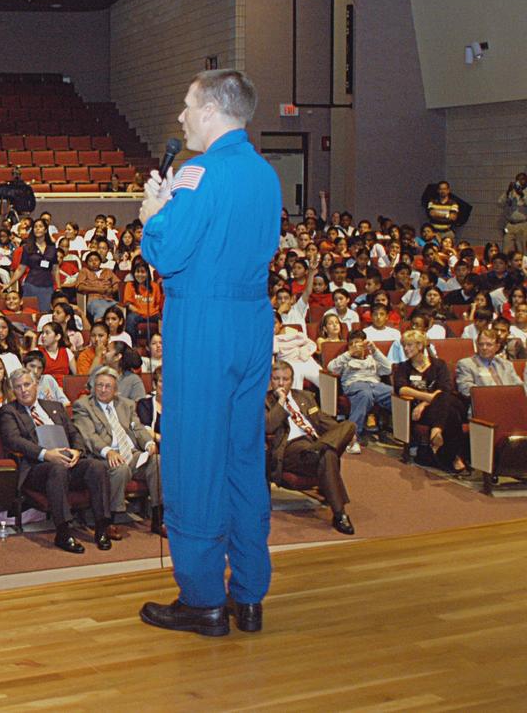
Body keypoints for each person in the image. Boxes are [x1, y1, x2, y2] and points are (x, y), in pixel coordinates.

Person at [138, 69, 279, 637]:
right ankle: (249, 593)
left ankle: (202, 600)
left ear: (213, 110)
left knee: (195, 457)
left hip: (204, 320)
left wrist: (153, 215)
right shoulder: (265, 173)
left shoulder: (200, 170)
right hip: (252, 319)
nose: (181, 116)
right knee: (242, 456)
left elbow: (168, 252)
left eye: (188, 104)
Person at [0, 368, 114, 553]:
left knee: (96, 466)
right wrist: (46, 454)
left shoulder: (55, 406)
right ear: (13, 390)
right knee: (56, 469)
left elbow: (74, 433)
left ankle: (101, 527)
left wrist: (77, 451)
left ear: (36, 385)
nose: (24, 390)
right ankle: (63, 531)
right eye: (18, 387)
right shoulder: (9, 411)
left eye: (27, 384)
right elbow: (13, 440)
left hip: (68, 461)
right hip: (37, 468)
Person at [71, 365, 164, 536]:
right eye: (99, 385)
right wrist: (108, 451)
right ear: (93, 386)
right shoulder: (83, 406)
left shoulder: (126, 404)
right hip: (103, 456)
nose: (103, 390)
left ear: (115, 390)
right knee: (119, 468)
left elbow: (137, 428)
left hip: (131, 453)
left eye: (108, 386)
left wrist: (148, 443)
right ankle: (108, 520)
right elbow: (89, 436)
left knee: (157, 462)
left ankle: (158, 519)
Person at [265, 361, 356, 535]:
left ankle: (317, 449)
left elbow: (322, 420)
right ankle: (340, 515)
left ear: (292, 380)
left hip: (313, 443)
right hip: (290, 447)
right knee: (328, 454)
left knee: (348, 426)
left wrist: (345, 432)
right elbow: (269, 426)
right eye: (277, 379)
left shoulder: (304, 396)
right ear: (271, 380)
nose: (281, 383)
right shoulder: (265, 401)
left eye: (285, 379)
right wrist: (281, 401)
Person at [392, 330, 471, 474]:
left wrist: (424, 404)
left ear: (420, 346)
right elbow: (401, 389)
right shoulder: (403, 367)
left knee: (445, 398)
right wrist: (428, 398)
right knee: (451, 414)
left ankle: (437, 432)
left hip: (429, 407)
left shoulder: (439, 365)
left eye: (409, 345)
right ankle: (452, 456)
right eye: (404, 346)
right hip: (423, 411)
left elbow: (445, 388)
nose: (406, 349)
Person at [326, 331, 394, 444]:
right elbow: (331, 367)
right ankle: (352, 436)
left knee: (394, 395)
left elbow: (388, 369)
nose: (355, 346)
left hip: (375, 386)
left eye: (358, 343)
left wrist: (375, 350)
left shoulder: (372, 358)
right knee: (365, 394)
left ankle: (395, 431)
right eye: (351, 344)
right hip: (354, 385)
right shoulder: (346, 359)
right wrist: (349, 353)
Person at [455, 329, 523, 401]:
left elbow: (520, 387)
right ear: (477, 345)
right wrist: (494, 396)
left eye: (489, 345)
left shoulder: (506, 364)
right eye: (481, 344)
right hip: (484, 403)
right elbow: (465, 389)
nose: (484, 348)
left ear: (497, 347)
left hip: (510, 402)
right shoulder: (466, 364)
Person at [499, 172, 527, 253]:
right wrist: (508, 191)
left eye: (522, 179)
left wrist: (522, 194)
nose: (520, 181)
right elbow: (500, 203)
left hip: (522, 225)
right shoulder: (512, 192)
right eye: (517, 179)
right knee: (506, 250)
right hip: (510, 225)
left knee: (522, 249)